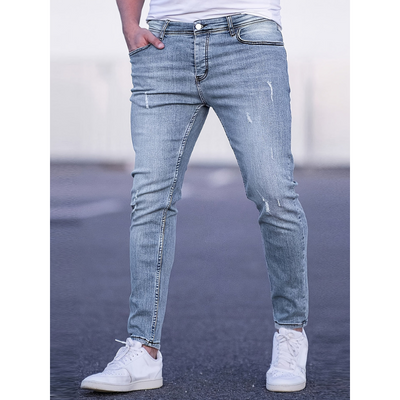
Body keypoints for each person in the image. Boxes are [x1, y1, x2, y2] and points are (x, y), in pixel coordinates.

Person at [81, 0, 309, 393]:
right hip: (163, 44)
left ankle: (291, 334)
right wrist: (129, 24)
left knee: (274, 192)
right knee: (149, 198)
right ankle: (143, 349)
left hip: (248, 40)